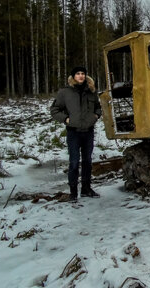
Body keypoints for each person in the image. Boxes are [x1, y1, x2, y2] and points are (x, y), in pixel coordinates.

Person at [51, 66, 102, 202]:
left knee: (87, 161)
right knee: (74, 162)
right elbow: (54, 110)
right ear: (73, 76)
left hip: (88, 131)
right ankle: (73, 192)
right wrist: (66, 119)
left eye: (83, 74)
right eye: (78, 74)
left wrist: (96, 116)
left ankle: (86, 189)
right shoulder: (65, 92)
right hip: (73, 132)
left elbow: (98, 107)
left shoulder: (91, 91)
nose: (81, 76)